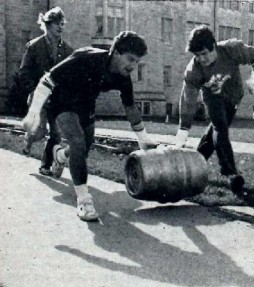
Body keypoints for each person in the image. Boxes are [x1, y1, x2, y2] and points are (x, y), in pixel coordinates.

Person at [22, 31, 156, 221]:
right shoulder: (87, 57)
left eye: (136, 62)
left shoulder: (122, 76)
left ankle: (60, 155)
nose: (133, 66)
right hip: (60, 100)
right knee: (76, 142)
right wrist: (34, 112)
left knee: (84, 147)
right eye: (130, 59)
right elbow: (47, 80)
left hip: (85, 104)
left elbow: (130, 107)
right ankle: (84, 201)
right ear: (116, 52)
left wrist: (143, 140)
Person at [174, 25, 254, 193]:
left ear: (213, 45)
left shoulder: (231, 49)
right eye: (197, 55)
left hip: (234, 97)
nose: (201, 58)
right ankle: (230, 173)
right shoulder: (194, 69)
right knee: (220, 127)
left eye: (204, 53)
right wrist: (183, 129)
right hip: (212, 97)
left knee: (215, 132)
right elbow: (188, 100)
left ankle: (195, 163)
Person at [19, 6, 73, 176]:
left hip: (57, 99)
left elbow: (69, 76)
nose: (61, 26)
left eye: (62, 23)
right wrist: (33, 91)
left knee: (56, 134)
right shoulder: (34, 46)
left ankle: (45, 166)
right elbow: (24, 72)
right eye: (57, 23)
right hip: (38, 97)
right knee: (39, 132)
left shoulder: (68, 50)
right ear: (47, 25)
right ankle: (29, 139)